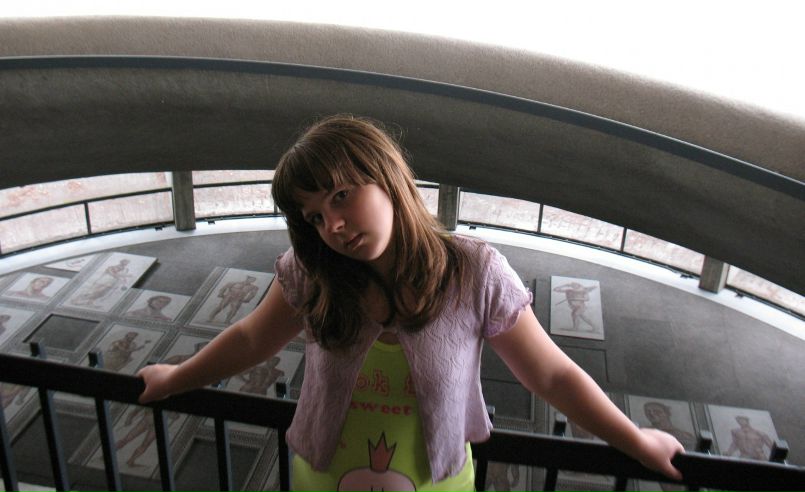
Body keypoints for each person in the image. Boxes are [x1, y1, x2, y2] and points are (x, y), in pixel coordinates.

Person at [137, 115, 684, 492]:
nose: (334, 226)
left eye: (342, 195)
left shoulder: (474, 272)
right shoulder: (313, 272)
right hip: (321, 483)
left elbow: (551, 375)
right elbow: (252, 339)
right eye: (315, 217)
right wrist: (176, 378)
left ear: (388, 177)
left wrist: (635, 441)